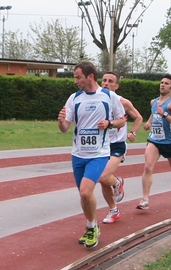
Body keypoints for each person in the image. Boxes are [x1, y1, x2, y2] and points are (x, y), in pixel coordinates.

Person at [57, 61, 126, 248]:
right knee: (84, 195)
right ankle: (91, 226)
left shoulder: (109, 97)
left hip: (99, 154)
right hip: (78, 154)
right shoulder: (74, 98)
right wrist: (61, 121)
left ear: (90, 76)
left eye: (78, 77)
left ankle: (92, 228)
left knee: (86, 190)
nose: (76, 81)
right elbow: (65, 128)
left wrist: (109, 124)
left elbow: (122, 120)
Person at [136, 74, 171, 210]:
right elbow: (154, 113)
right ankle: (145, 199)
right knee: (148, 167)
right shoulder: (153, 102)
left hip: (169, 141)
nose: (162, 85)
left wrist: (165, 114)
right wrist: (149, 122)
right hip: (154, 140)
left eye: (166, 83)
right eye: (161, 82)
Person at [99, 72, 143, 224]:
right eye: (104, 80)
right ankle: (113, 210)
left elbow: (138, 117)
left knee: (103, 176)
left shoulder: (123, 102)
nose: (106, 83)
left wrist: (133, 132)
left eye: (110, 81)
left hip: (117, 145)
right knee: (103, 180)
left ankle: (117, 183)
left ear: (116, 86)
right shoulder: (96, 100)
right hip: (101, 145)